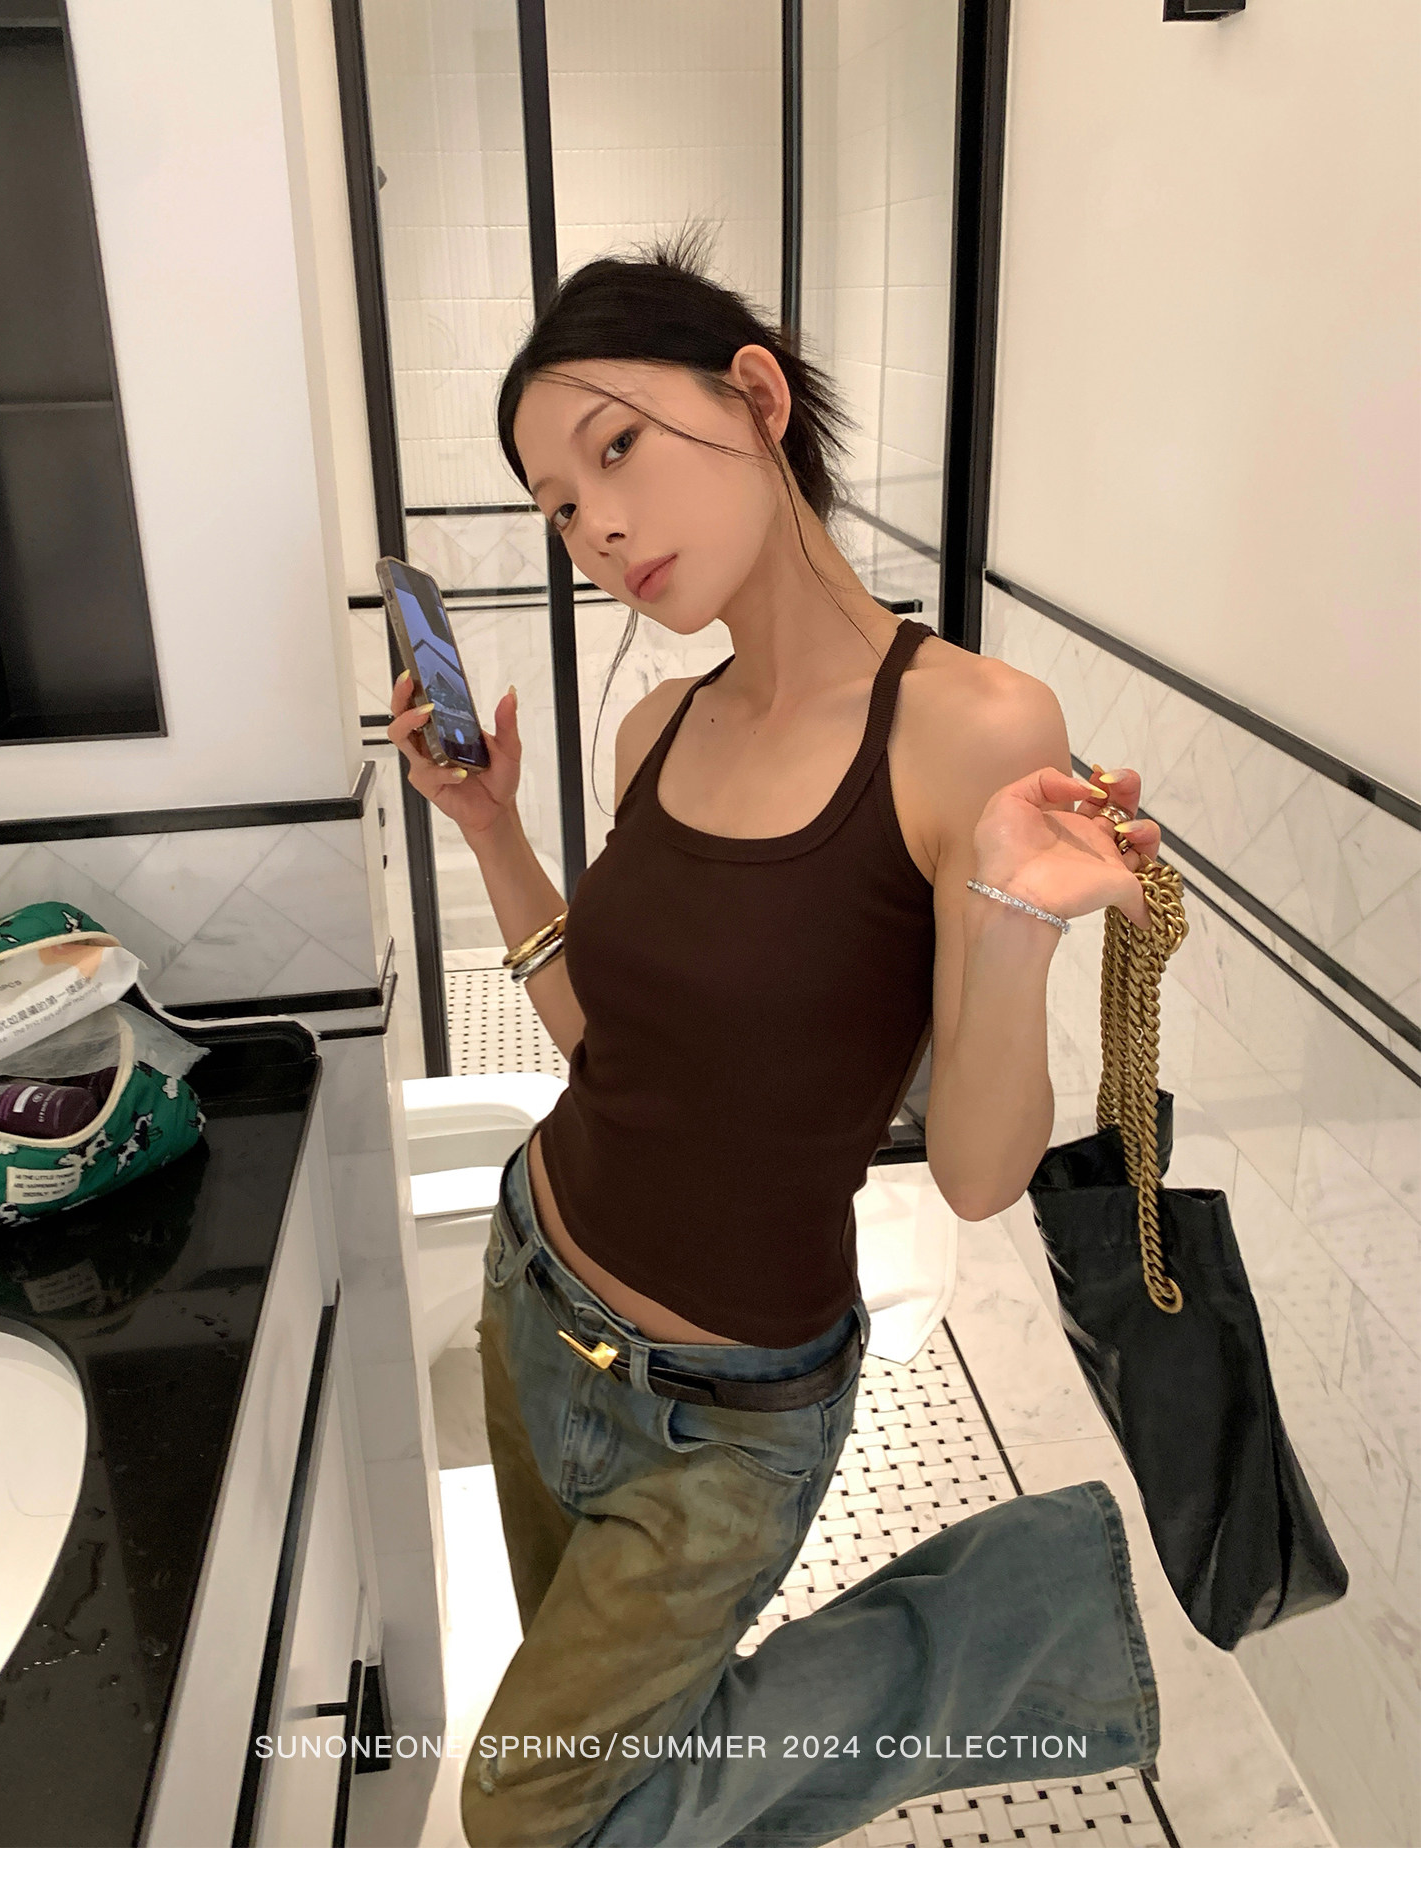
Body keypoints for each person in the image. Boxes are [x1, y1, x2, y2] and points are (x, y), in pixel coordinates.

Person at [387, 231, 1161, 1849]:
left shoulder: (970, 722)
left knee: (531, 1812)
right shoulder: (653, 728)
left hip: (724, 1424)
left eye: (617, 448)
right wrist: (490, 829)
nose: (597, 526)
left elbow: (977, 1177)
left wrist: (1014, 921)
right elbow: (612, 1046)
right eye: (558, 505)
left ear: (753, 396)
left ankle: (1035, 1612)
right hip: (533, 1298)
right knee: (597, 1767)